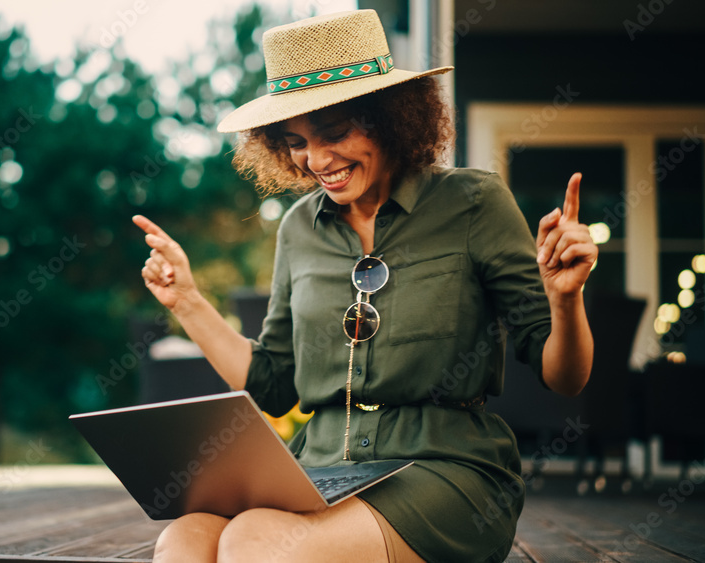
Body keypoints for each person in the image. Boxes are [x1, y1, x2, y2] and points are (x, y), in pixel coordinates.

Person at [133, 9, 596, 563]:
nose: (317, 160)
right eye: (296, 141)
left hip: (443, 471)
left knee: (254, 541)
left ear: (392, 118)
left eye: (333, 133)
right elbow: (276, 384)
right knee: (183, 538)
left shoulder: (474, 203)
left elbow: (564, 378)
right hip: (321, 467)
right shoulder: (299, 229)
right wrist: (187, 302)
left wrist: (565, 300)